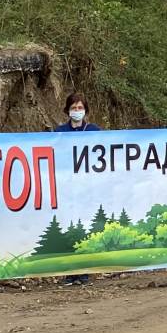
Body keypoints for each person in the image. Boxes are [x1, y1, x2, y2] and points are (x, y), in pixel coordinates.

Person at [51, 93, 101, 284]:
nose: (77, 111)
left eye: (80, 108)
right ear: (67, 110)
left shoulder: (94, 131)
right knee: (68, 227)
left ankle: (84, 271)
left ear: (85, 110)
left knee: (85, 227)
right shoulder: (60, 132)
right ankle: (71, 272)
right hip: (66, 189)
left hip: (88, 189)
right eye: (74, 108)